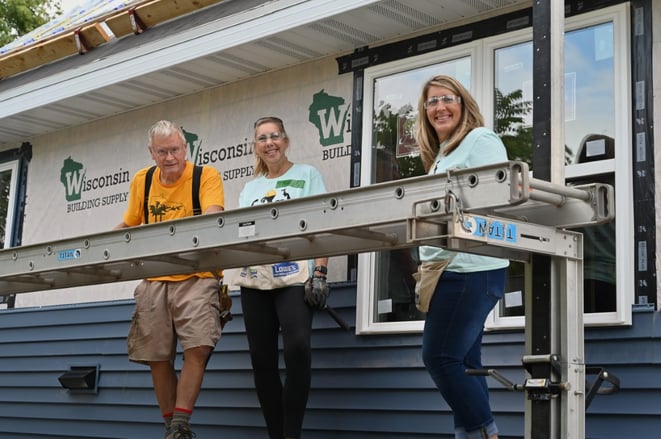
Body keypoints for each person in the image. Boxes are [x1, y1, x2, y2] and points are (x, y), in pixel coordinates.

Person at [115, 120, 225, 439]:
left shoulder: (206, 176)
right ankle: (170, 427)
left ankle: (181, 421)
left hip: (197, 273)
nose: (169, 157)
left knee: (199, 346)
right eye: (162, 151)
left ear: (185, 147)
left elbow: (213, 216)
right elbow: (130, 223)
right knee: (156, 355)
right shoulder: (143, 180)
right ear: (152, 152)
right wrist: (96, 246)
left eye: (175, 149)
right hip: (154, 277)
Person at [414, 75, 509, 439]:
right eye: (431, 102)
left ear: (463, 103)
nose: (439, 107)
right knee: (467, 363)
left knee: (439, 357)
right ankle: (470, 433)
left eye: (446, 99)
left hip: (471, 268)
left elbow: (495, 197)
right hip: (446, 271)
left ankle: (486, 433)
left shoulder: (480, 139)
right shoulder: (442, 155)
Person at [237, 116, 329, 439]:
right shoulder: (250, 189)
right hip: (254, 281)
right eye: (262, 138)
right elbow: (241, 237)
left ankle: (292, 434)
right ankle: (276, 434)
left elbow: (322, 227)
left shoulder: (307, 176)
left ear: (286, 140)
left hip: (294, 276)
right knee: (262, 360)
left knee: (298, 347)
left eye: (274, 136)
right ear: (256, 147)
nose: (269, 142)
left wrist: (320, 272)